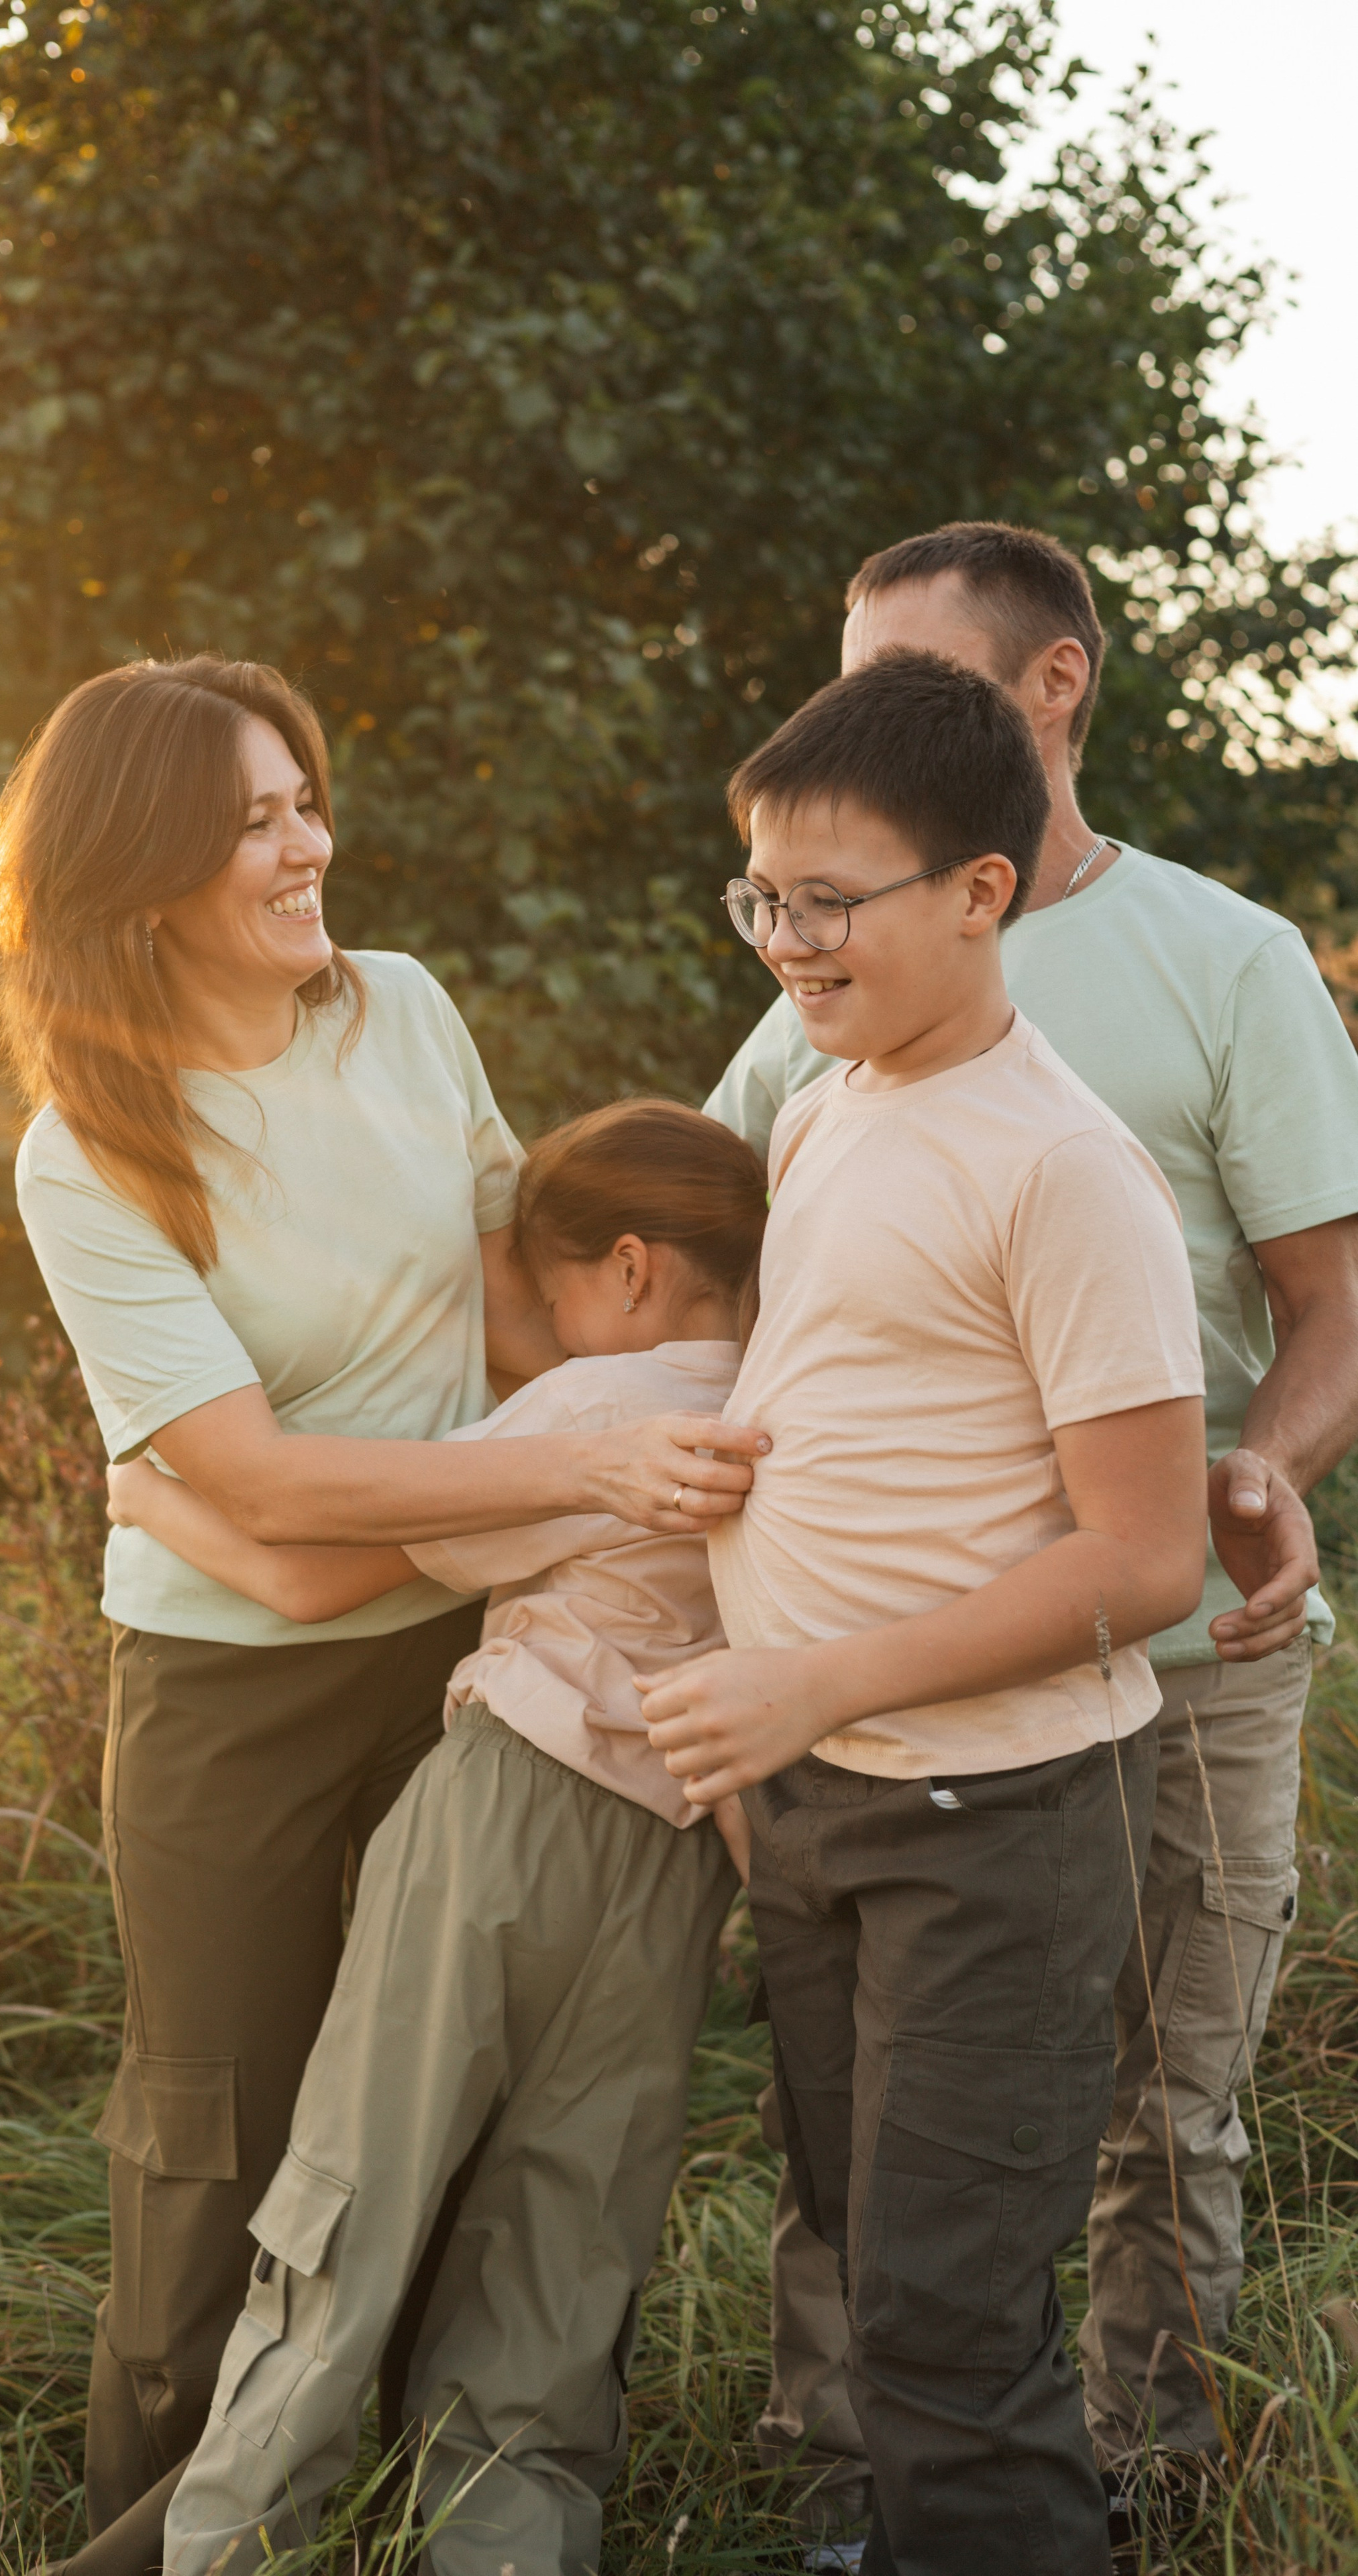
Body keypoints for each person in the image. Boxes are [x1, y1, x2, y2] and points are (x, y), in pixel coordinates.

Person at [0, 655, 766, 2568]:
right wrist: (516, 1489)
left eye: (303, 799)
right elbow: (251, 1485)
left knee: (440, 2126)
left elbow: (518, 1313)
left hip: (453, 1658)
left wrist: (377, 1517)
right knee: (224, 2147)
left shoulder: (401, 1013)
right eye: (253, 821)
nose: (308, 844)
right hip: (227, 1701)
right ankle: (167, 2536)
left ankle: (430, 2499)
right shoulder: (90, 1147)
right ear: (134, 869)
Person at [706, 523, 1358, 2534]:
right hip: (865, 1725)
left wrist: (1263, 1474)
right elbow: (745, 1283)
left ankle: (1131, 2476)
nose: (865, 716)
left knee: (1152, 2117)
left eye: (915, 677)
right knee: (883, 2160)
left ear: (1047, 690)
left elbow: (1322, 1302)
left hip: (1128, 1671)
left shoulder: (1206, 967)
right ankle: (871, 2484)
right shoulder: (830, 1035)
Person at [644, 649, 1210, 2573]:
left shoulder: (1066, 1171)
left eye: (830, 902)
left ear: (985, 890)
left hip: (995, 1822)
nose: (786, 944)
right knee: (861, 2257)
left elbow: (1146, 1564)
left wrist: (811, 1675)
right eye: (762, 900)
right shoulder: (826, 1101)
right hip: (819, 1798)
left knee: (950, 2326)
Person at [82, 1097, 766, 2576]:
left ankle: (233, 2542)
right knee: (565, 2232)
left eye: (544, 1283)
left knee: (353, 2194)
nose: (531, 1322)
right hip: (676, 1855)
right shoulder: (790, 1401)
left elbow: (311, 1581)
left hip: (504, 1820)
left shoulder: (597, 1411)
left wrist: (148, 1494)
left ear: (632, 1270)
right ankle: (504, 2542)